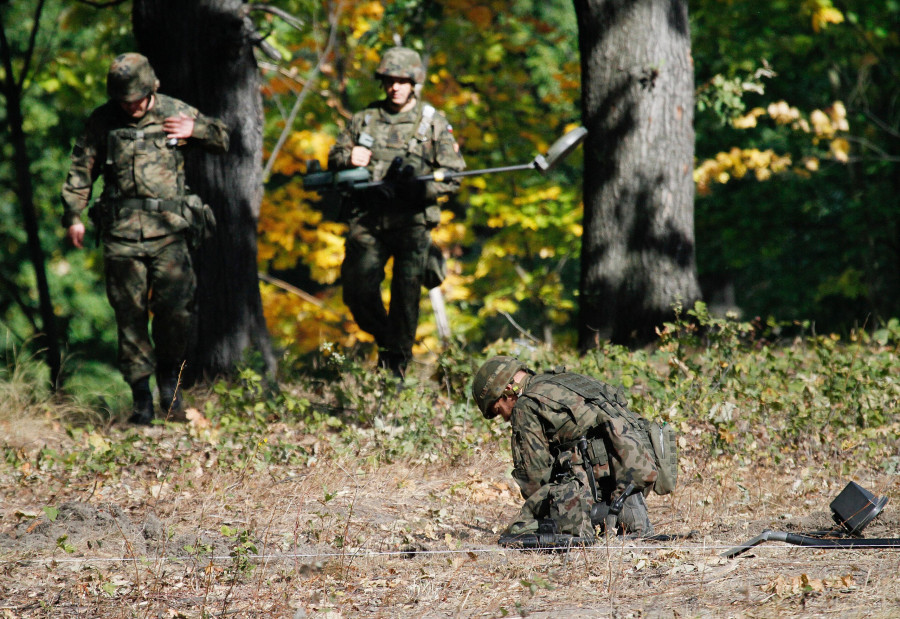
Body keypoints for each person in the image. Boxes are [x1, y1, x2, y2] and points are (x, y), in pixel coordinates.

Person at [61, 53, 229, 424]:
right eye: (124, 99)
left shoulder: (174, 110)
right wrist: (74, 214)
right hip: (122, 234)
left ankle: (170, 384)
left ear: (151, 88)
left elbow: (223, 139)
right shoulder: (103, 121)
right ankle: (141, 400)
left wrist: (195, 130)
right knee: (129, 315)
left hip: (169, 231)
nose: (131, 106)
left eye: (136, 97)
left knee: (175, 311)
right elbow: (80, 168)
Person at [327, 47, 465, 377]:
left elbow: (455, 175)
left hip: (412, 224)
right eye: (390, 80)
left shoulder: (432, 122)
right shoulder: (364, 119)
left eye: (402, 81)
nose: (395, 87)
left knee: (406, 299)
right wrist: (349, 157)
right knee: (357, 291)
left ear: (414, 82)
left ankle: (395, 370)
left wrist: (421, 189)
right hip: (369, 221)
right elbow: (334, 158)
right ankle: (390, 342)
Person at [472, 356, 661, 540]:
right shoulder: (564, 380)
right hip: (634, 475)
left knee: (517, 531)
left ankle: (600, 516)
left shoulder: (526, 404)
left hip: (597, 490)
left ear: (507, 389)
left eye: (498, 410)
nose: (505, 418)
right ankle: (623, 514)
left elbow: (534, 479)